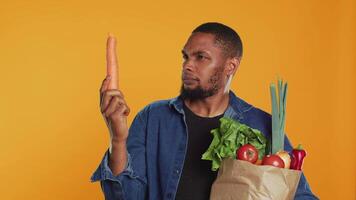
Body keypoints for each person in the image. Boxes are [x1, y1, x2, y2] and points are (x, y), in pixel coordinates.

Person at [90, 22, 318, 200]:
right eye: (185, 57)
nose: (188, 65)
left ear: (231, 66)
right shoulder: (153, 118)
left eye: (201, 57)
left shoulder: (262, 125)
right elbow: (125, 196)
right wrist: (118, 140)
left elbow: (300, 195)